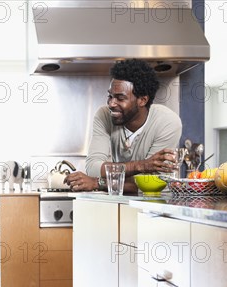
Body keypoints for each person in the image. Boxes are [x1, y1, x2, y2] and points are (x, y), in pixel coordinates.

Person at [65, 59, 182, 193]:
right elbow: (93, 168)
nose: (111, 104)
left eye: (120, 98)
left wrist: (98, 182)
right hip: (119, 201)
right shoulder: (104, 115)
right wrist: (142, 165)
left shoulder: (167, 122)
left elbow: (150, 184)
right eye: (110, 96)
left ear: (142, 100)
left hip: (155, 203)